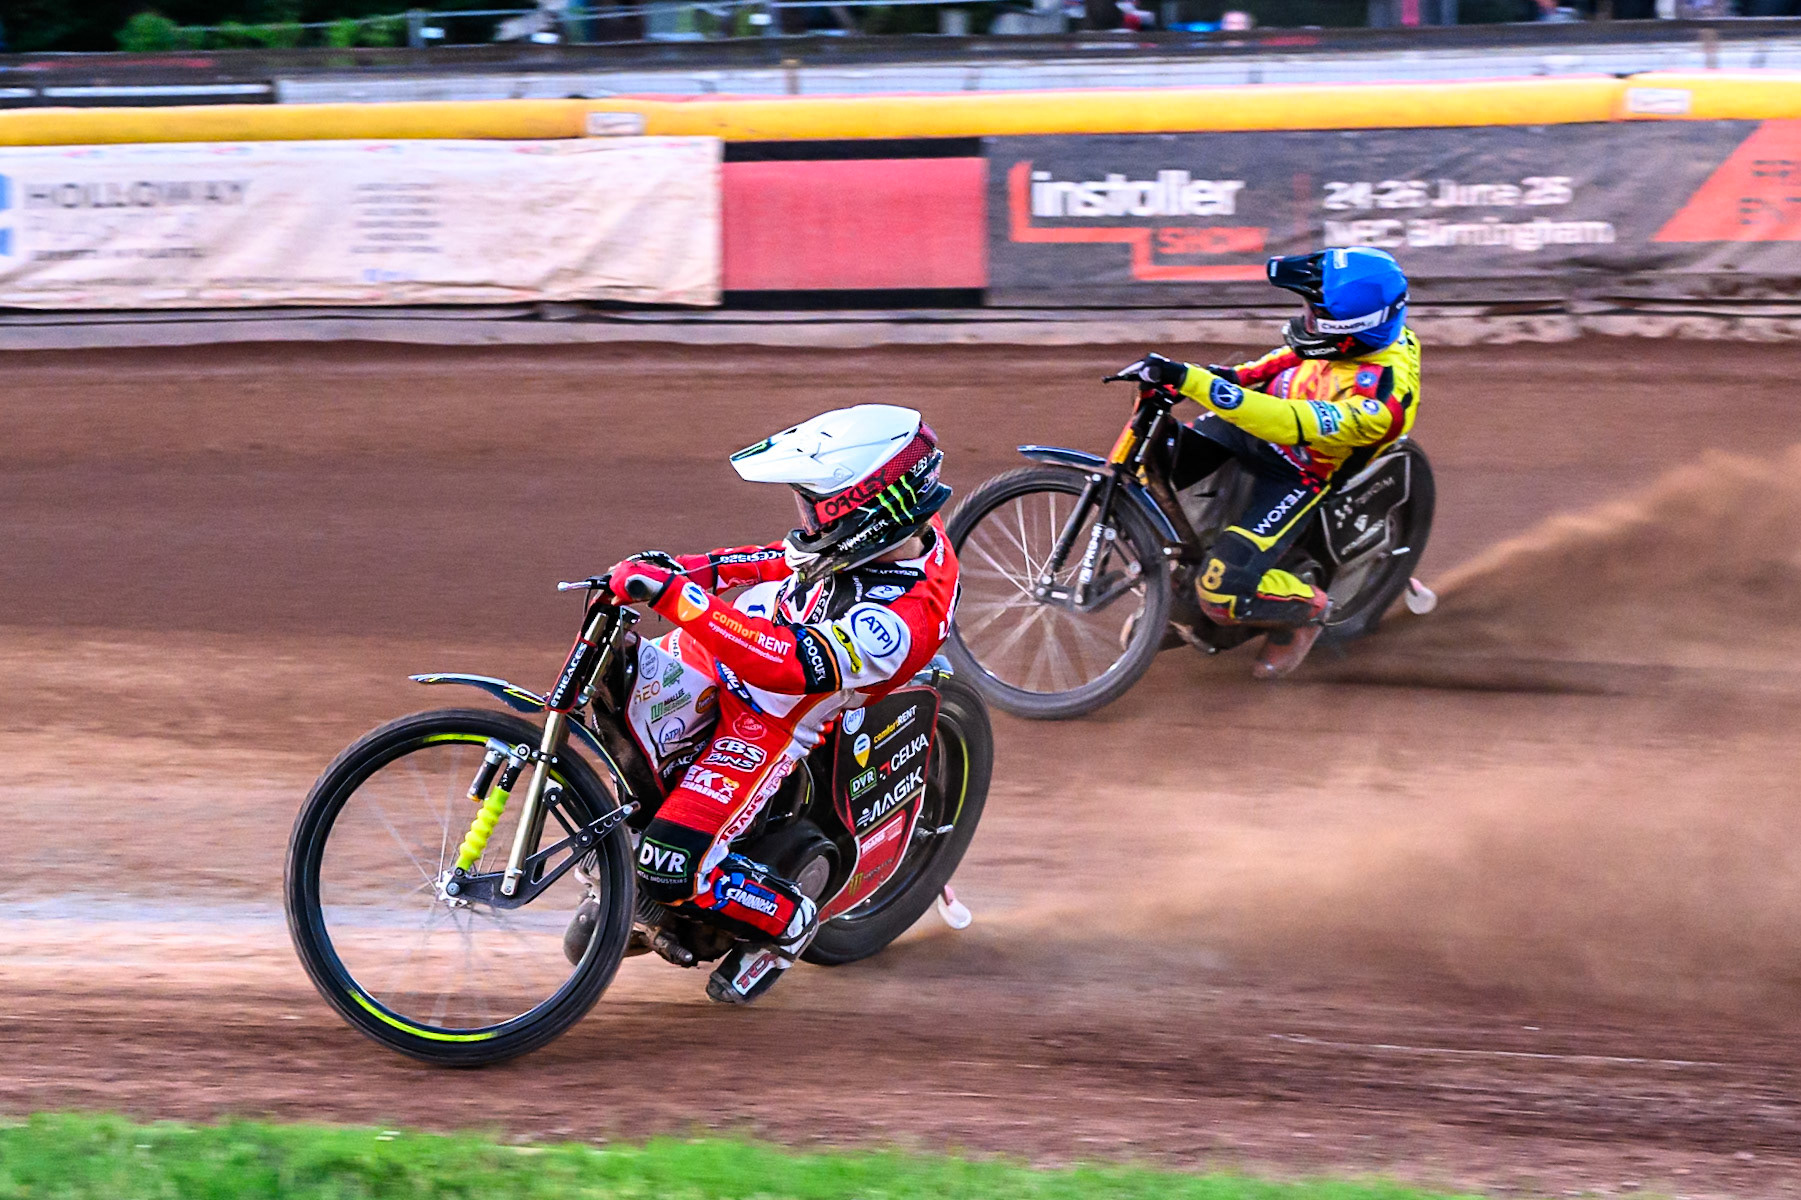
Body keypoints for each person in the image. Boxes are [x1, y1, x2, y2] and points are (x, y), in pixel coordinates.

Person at [602, 404, 959, 1004]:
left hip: (769, 716)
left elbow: (785, 667)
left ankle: (788, 922)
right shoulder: (883, 534)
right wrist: (690, 572)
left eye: (816, 506)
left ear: (870, 513)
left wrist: (682, 599)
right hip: (719, 650)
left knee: (668, 862)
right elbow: (783, 557)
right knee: (616, 698)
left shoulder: (899, 623)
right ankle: (627, 873)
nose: (804, 519)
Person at [1117, 247, 1421, 679]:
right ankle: (1181, 598)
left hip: (1300, 470)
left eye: (1315, 315)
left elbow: (1285, 423)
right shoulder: (1350, 338)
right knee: (1158, 470)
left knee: (1219, 591)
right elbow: (1273, 366)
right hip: (1252, 429)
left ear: (1348, 333)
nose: (1305, 319)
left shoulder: (1383, 402)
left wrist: (1192, 380)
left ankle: (1307, 609)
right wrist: (1207, 377)